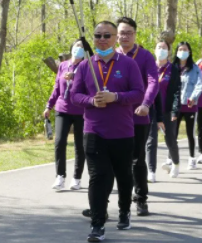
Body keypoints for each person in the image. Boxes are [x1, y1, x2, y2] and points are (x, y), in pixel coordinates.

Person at [70, 21, 145, 242]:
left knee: (123, 176)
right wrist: (92, 101)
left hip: (122, 132)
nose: (102, 39)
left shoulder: (128, 64)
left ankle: (124, 210)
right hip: (94, 132)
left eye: (107, 35)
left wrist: (116, 97)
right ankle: (97, 224)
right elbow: (74, 97)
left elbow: (139, 93)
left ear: (115, 38)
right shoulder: (85, 66)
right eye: (98, 35)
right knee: (98, 177)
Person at [115, 17, 158, 217]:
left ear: (135, 34)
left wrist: (146, 104)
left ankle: (140, 198)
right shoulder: (110, 56)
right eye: (121, 33)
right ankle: (109, 201)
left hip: (138, 115)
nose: (124, 37)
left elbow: (152, 82)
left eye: (128, 33)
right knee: (115, 160)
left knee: (137, 159)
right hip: (115, 116)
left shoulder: (145, 56)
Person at [44, 40, 86, 191]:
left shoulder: (87, 66)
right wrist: (49, 105)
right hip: (62, 109)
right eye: (77, 46)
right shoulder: (63, 65)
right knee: (59, 142)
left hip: (81, 111)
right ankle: (60, 176)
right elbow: (57, 87)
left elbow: (89, 87)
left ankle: (77, 178)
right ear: (72, 48)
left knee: (80, 146)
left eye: (82, 47)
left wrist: (74, 77)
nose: (78, 49)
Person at [164, 42, 202, 173]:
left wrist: (193, 97)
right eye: (180, 49)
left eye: (185, 49)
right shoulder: (172, 67)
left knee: (190, 133)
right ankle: (170, 158)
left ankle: (192, 158)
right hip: (175, 106)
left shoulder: (195, 68)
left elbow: (199, 84)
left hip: (189, 105)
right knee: (172, 133)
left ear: (190, 52)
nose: (182, 52)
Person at [150, 39, 181, 182]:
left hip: (167, 111)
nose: (161, 50)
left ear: (168, 51)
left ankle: (175, 163)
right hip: (151, 110)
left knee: (170, 140)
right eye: (158, 47)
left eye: (164, 48)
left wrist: (175, 110)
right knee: (151, 141)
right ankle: (151, 171)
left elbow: (176, 92)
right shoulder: (149, 67)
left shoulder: (173, 69)